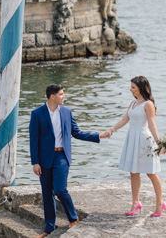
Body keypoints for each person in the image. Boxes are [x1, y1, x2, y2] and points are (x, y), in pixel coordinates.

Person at [29, 84, 110, 238]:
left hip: (61, 157)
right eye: (61, 94)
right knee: (47, 193)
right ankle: (49, 228)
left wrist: (98, 136)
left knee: (60, 189)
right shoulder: (37, 114)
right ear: (52, 96)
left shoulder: (67, 112)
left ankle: (73, 218)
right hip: (44, 159)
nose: (64, 96)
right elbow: (33, 140)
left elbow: (77, 133)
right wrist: (35, 162)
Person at [102, 76, 166, 217]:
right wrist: (111, 130)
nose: (130, 89)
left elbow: (151, 124)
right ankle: (135, 202)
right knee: (133, 172)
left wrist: (159, 142)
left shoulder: (148, 104)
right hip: (132, 138)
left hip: (144, 140)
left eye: (133, 87)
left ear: (140, 88)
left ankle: (160, 203)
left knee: (151, 172)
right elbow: (125, 119)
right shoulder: (133, 103)